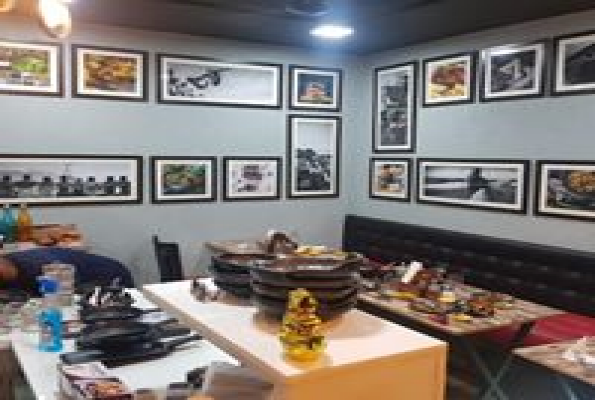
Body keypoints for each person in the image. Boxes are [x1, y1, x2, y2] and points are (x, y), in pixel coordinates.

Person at [0, 248, 135, 294]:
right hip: (78, 282)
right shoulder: (8, 264)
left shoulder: (46, 268)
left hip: (110, 277)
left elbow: (66, 301)